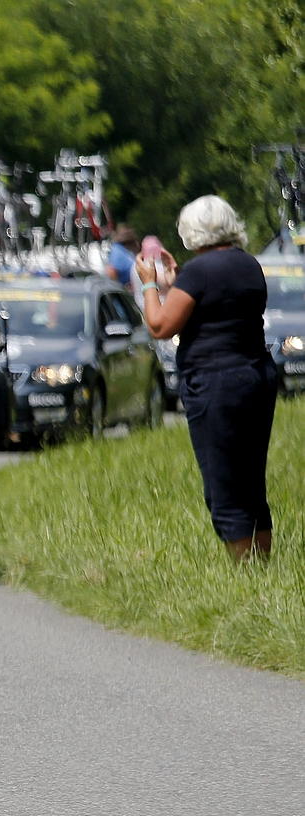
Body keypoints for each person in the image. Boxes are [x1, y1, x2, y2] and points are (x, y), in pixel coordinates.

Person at [134, 196, 276, 561]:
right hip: (255, 376)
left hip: (215, 382)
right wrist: (174, 285)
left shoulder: (199, 271)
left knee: (224, 485)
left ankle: (246, 575)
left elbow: (160, 325)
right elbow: (215, 306)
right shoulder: (248, 264)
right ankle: (263, 565)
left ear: (190, 230)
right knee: (250, 481)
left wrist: (150, 285)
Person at [106, 224, 139, 289]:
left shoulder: (125, 251)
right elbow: (111, 272)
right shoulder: (117, 250)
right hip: (124, 293)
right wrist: (122, 289)